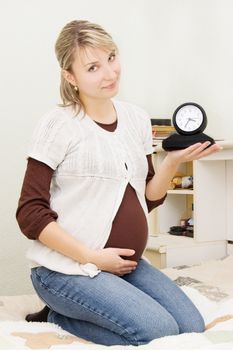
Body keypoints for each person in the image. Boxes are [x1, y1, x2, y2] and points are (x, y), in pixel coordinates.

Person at [16, 20, 220, 346]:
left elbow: (148, 197)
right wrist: (92, 257)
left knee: (190, 325)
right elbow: (29, 212)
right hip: (67, 270)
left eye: (111, 58)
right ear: (71, 76)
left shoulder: (136, 119)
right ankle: (58, 315)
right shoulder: (59, 124)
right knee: (158, 331)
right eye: (93, 67)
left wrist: (172, 162)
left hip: (125, 264)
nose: (110, 73)